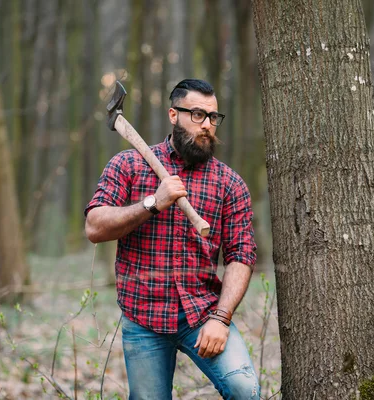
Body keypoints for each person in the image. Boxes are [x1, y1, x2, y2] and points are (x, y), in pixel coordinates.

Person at [84, 79, 259, 400]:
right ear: (173, 115)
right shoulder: (129, 165)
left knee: (243, 389)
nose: (207, 125)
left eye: (213, 117)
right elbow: (95, 227)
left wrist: (221, 318)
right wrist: (153, 203)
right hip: (144, 318)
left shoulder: (230, 183)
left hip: (203, 314)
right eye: (196, 114)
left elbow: (241, 256)